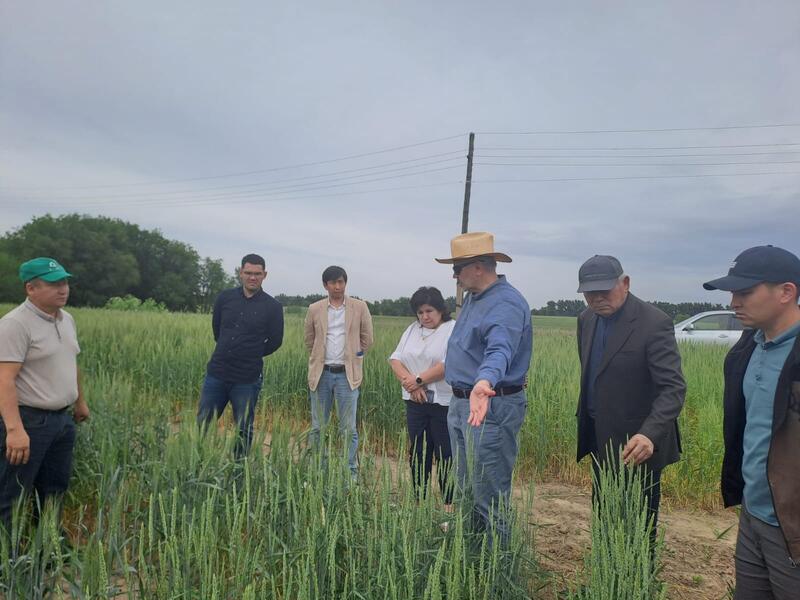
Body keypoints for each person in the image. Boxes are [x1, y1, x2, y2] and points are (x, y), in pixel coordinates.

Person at [703, 245, 800, 598]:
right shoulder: (748, 348)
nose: (734, 302)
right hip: (753, 513)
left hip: (793, 526)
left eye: (745, 292)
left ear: (787, 292)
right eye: (732, 292)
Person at [575, 255, 685, 545]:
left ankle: (637, 583)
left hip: (637, 444)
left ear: (625, 283)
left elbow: (672, 388)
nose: (597, 299)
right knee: (604, 513)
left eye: (604, 290)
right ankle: (606, 578)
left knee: (638, 524)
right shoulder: (586, 320)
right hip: (599, 435)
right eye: (590, 293)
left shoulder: (653, 322)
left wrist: (649, 434)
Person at [436, 232, 532, 546]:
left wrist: (483, 382)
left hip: (488, 405)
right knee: (466, 488)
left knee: (489, 493)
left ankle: (497, 573)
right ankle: (470, 560)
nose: (454, 275)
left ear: (478, 266)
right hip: (463, 403)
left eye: (458, 267)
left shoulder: (505, 303)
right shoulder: (475, 299)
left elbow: (499, 351)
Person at [0, 258, 89, 535]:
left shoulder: (67, 319)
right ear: (31, 288)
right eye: (54, 284)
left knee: (54, 490)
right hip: (29, 421)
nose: (63, 289)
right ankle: (8, 565)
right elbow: (4, 380)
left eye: (64, 282)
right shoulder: (15, 324)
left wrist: (80, 401)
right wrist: (15, 430)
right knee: (13, 494)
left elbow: (70, 363)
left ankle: (47, 550)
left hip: (62, 422)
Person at [197, 253, 284, 458]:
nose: (252, 277)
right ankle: (197, 463)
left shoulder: (273, 307)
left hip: (247, 378)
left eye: (257, 273)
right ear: (240, 273)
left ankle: (238, 470)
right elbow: (217, 330)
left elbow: (275, 341)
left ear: (265, 275)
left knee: (244, 429)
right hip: (217, 374)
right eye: (248, 273)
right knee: (203, 423)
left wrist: (251, 353)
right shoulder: (225, 298)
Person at [389, 287, 456, 510]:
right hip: (415, 401)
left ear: (440, 309)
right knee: (418, 451)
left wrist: (417, 380)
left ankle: (449, 505)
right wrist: (411, 383)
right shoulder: (412, 330)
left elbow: (448, 364)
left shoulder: (452, 329)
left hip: (443, 403)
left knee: (445, 453)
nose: (425, 316)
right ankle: (419, 502)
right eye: (420, 312)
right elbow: (395, 359)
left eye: (430, 310)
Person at [304, 266, 374, 478]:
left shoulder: (359, 307)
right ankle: (318, 470)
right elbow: (309, 339)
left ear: (345, 283)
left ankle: (349, 474)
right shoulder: (315, 308)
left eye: (341, 282)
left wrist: (355, 355)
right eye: (333, 283)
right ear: (325, 285)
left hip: (347, 375)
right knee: (318, 427)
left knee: (348, 429)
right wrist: (318, 357)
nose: (337, 286)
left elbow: (367, 338)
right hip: (321, 374)